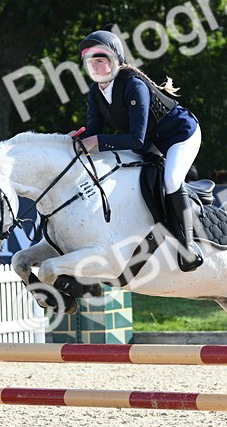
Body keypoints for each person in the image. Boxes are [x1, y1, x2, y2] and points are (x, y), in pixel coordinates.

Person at [75, 26, 204, 271]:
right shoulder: (96, 92)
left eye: (99, 60)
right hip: (149, 141)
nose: (93, 66)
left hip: (180, 134)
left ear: (114, 62)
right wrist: (76, 138)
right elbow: (93, 130)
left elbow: (135, 140)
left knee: (172, 180)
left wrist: (98, 142)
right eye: (89, 62)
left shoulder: (134, 86)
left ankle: (188, 246)